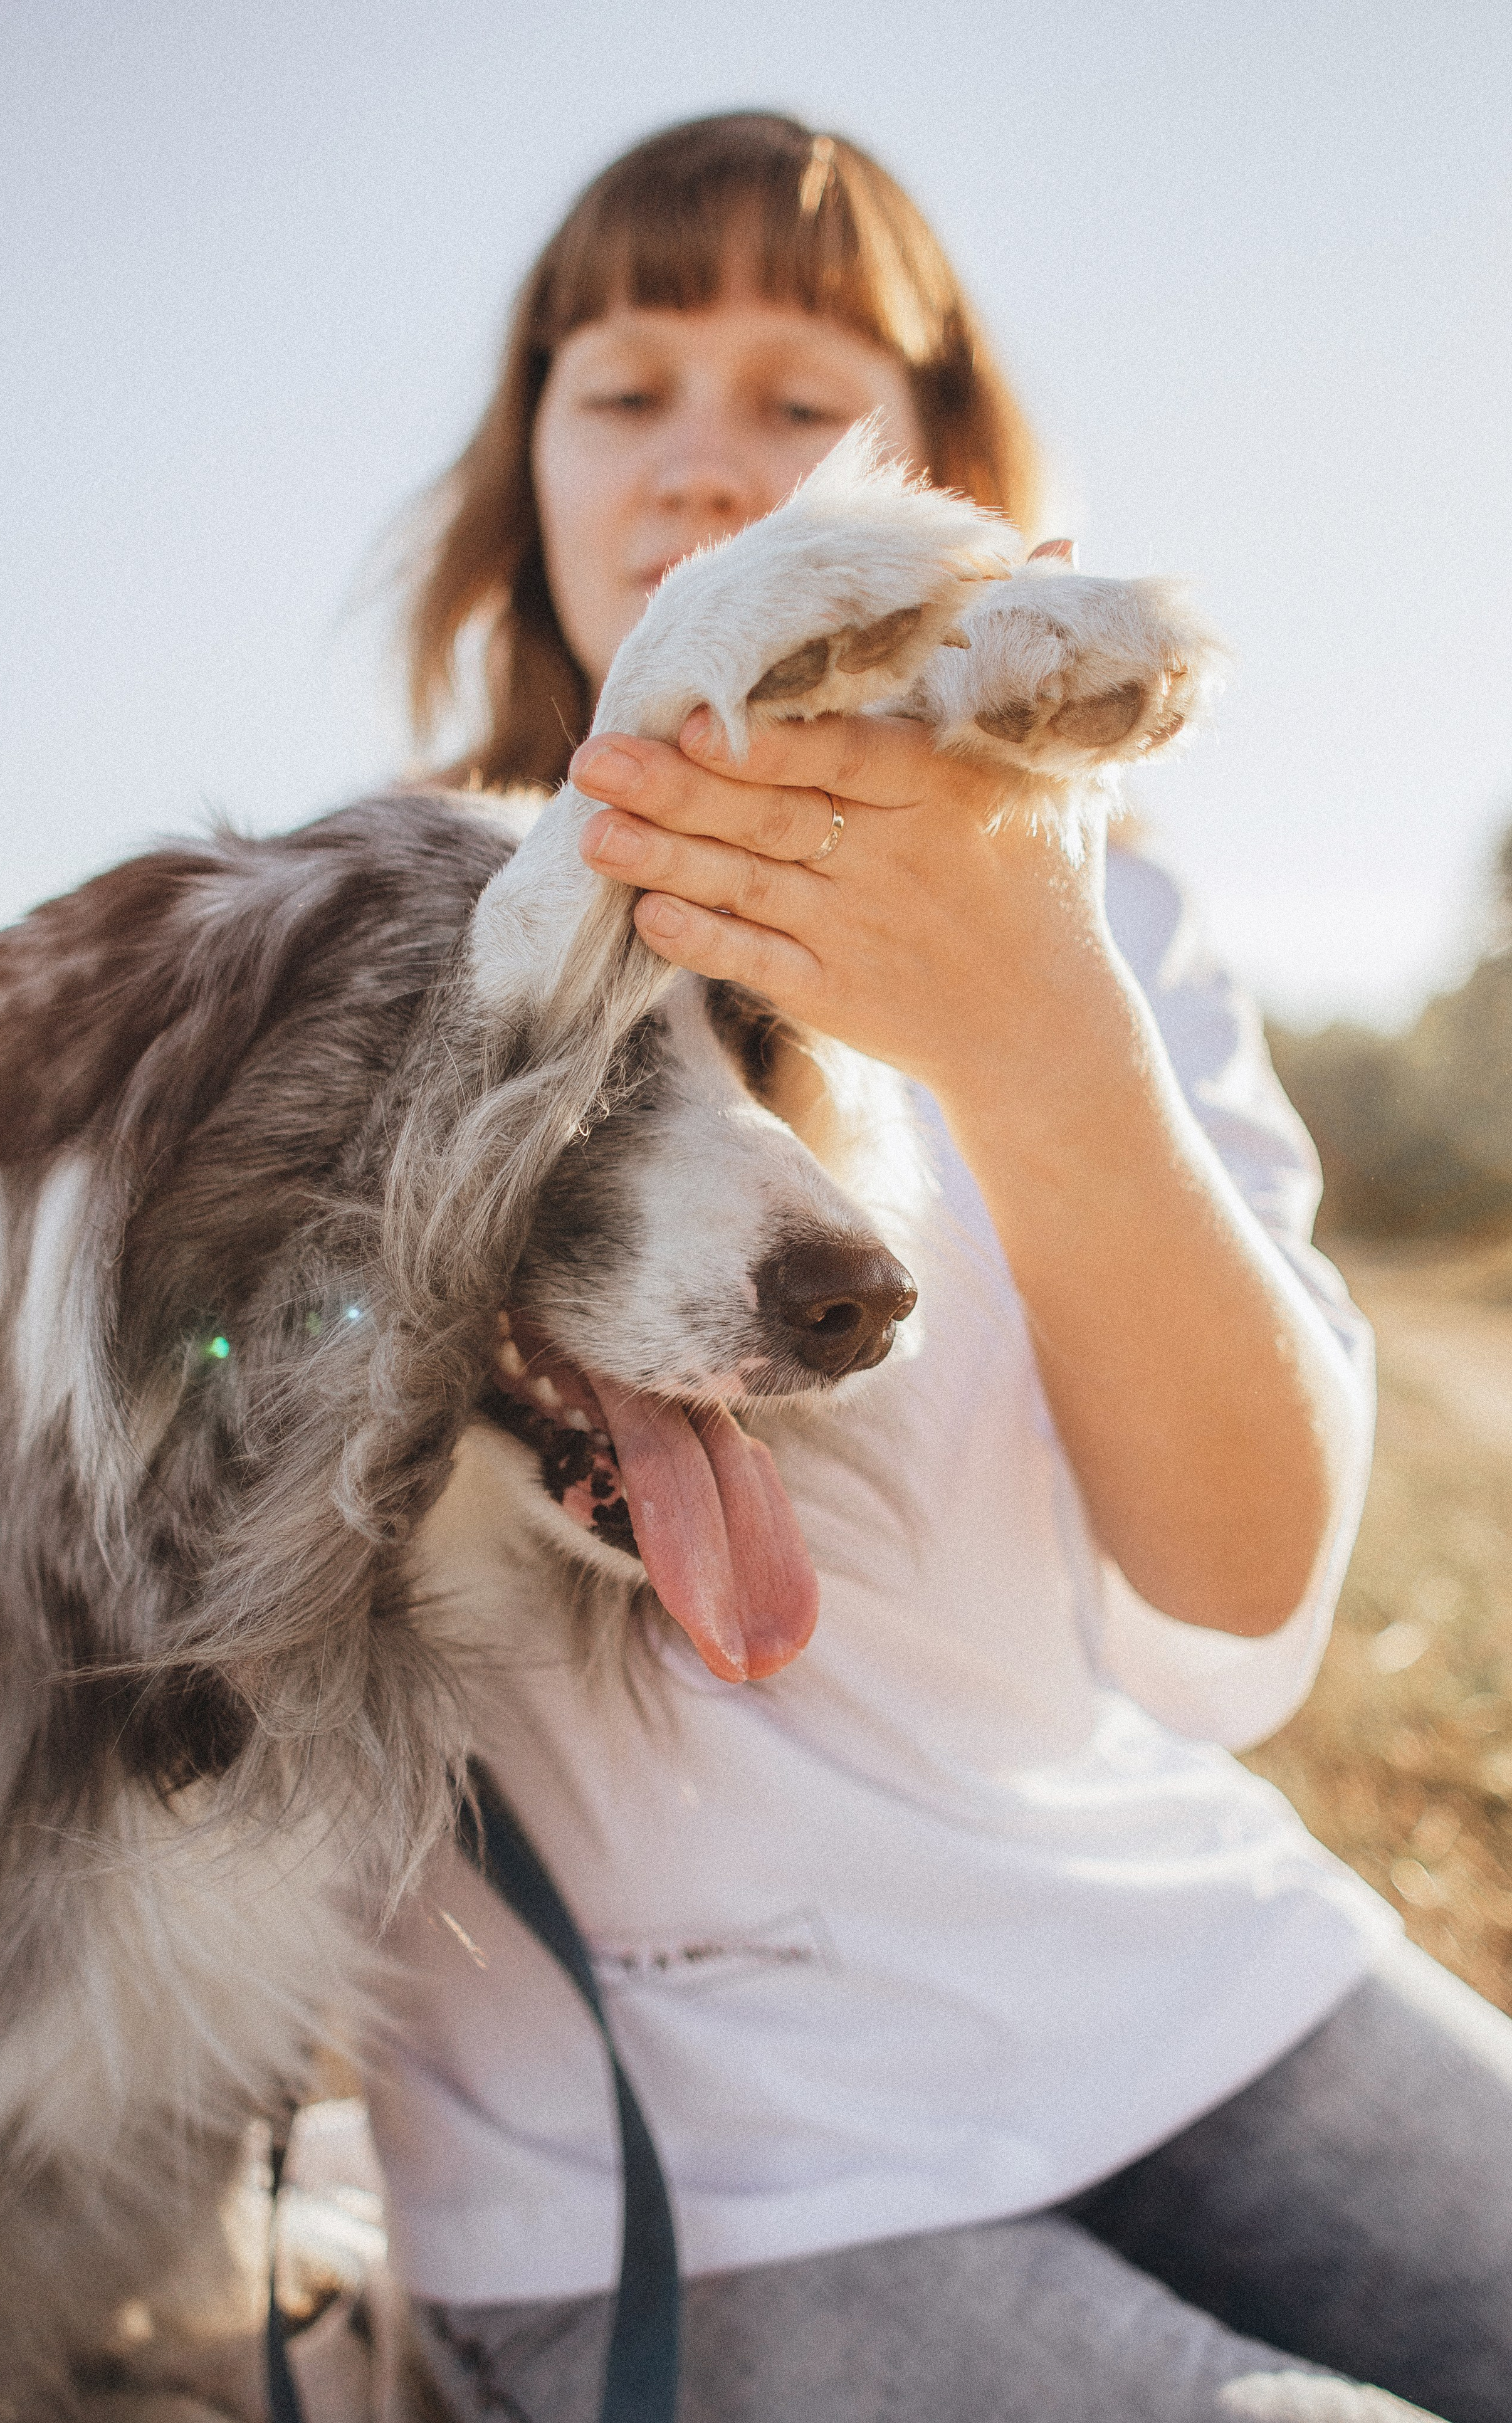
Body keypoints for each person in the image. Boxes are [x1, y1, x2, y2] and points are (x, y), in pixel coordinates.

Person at [364, 115, 1512, 2422]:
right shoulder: (378, 923)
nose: (711, 466)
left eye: (805, 403)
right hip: (663, 2162)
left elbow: (1239, 1622)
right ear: (528, 466)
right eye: (630, 389)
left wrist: (1039, 1027)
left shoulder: (1111, 914)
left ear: (945, 474)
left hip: (1172, 1963)